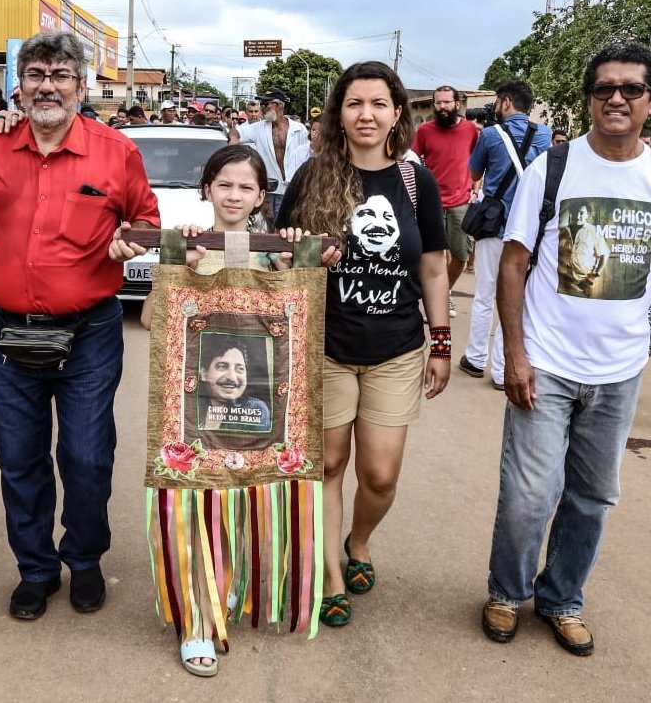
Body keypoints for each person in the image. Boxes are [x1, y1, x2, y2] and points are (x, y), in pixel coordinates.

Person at [482, 41, 651, 656]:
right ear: (590, 98)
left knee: (592, 496)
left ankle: (562, 598)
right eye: (604, 88)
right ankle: (507, 592)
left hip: (619, 373)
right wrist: (515, 353)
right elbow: (514, 264)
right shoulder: (552, 169)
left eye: (631, 89)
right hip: (547, 362)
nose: (616, 98)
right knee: (531, 493)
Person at [0, 31, 159, 621]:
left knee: (84, 453)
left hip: (89, 335)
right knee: (19, 455)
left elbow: (146, 220)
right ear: (19, 85)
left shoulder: (116, 152)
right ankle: (36, 570)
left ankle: (83, 560)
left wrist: (129, 243)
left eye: (60, 74)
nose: (47, 84)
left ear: (82, 84)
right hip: (6, 332)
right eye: (35, 74)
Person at [140, 144, 325, 677]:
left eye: (246, 187)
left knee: (242, 508)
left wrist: (294, 261)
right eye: (225, 184)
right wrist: (177, 268)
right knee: (194, 507)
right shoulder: (188, 247)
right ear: (207, 190)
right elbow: (153, 321)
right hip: (192, 417)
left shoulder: (273, 256)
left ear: (262, 195)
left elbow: (304, 322)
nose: (235, 195)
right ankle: (197, 619)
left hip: (260, 418)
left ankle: (231, 594)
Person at [276, 61, 451, 628]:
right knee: (327, 464)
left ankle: (359, 538)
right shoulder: (311, 177)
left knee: (379, 476)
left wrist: (441, 341)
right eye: (355, 104)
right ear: (339, 114)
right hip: (324, 344)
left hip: (396, 348)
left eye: (379, 103)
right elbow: (280, 256)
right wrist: (302, 255)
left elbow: (431, 266)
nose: (367, 114)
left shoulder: (413, 181)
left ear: (397, 112)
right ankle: (331, 577)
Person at [459, 82, 552, 389]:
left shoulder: (489, 135)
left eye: (498, 102)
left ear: (507, 102)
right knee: (515, 300)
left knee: (485, 294)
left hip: (495, 223)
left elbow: (473, 175)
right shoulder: (545, 135)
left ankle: (475, 359)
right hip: (527, 230)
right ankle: (501, 369)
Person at [411, 85, 480, 316]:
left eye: (447, 102)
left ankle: (442, 292)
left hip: (461, 201)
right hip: (431, 202)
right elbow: (412, 160)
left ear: (457, 105)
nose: (442, 107)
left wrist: (476, 185)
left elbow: (478, 161)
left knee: (460, 255)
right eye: (438, 102)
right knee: (435, 255)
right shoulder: (425, 131)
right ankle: (439, 299)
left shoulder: (471, 130)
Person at [229, 88, 309, 216]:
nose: (262, 108)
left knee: (289, 231)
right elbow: (236, 132)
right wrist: (233, 139)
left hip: (294, 192)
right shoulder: (258, 128)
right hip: (269, 193)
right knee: (268, 232)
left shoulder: (299, 129)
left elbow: (306, 158)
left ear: (277, 105)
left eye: (265, 104)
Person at [284, 117, 321, 181]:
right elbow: (291, 176)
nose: (315, 134)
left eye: (320, 131)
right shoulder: (299, 151)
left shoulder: (330, 153)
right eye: (313, 130)